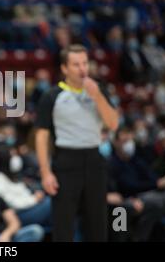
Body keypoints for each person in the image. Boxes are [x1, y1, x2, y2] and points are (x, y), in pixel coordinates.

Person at [35, 44, 119, 242]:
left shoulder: (99, 90)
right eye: (76, 65)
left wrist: (97, 95)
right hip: (66, 161)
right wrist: (45, 172)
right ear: (64, 68)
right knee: (63, 225)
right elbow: (41, 136)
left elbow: (113, 124)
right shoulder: (52, 96)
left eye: (84, 63)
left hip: (94, 160)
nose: (82, 69)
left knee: (97, 224)